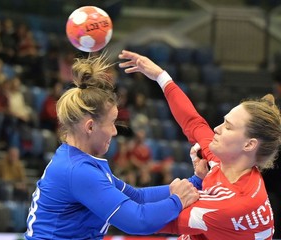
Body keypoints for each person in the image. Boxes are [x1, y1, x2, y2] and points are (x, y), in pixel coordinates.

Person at [24, 53, 204, 240]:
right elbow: (138, 220)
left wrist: (194, 182)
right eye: (112, 123)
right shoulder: (78, 170)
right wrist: (177, 201)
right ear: (90, 126)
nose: (115, 132)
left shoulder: (80, 161)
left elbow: (137, 197)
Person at [118, 50, 280, 240]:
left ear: (248, 145)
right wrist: (160, 76)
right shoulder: (223, 162)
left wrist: (176, 200)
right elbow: (194, 123)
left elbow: (141, 220)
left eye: (228, 127)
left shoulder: (231, 204)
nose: (217, 129)